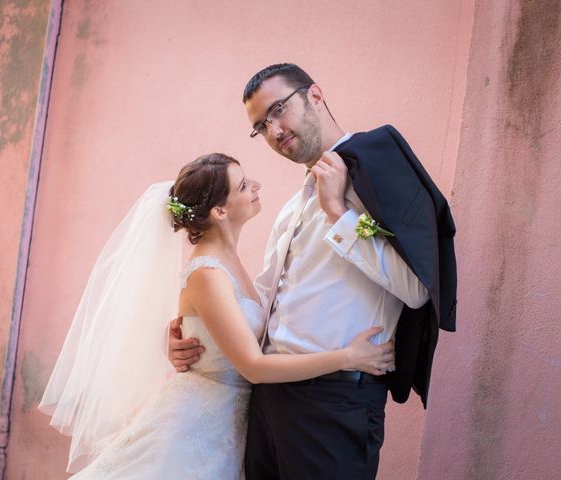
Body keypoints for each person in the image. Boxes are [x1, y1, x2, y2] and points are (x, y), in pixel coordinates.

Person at [169, 64, 457, 479]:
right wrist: (195, 338)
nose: (273, 130)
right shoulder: (290, 208)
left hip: (333, 404)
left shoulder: (377, 169)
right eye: (260, 126)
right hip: (266, 401)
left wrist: (338, 213)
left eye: (279, 110)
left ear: (316, 96)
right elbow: (261, 302)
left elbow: (417, 290)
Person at [40, 153, 395, 478]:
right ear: (219, 211)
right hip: (197, 428)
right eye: (243, 185)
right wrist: (347, 358)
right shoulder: (208, 273)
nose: (256, 187)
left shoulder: (228, 263)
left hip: (230, 427)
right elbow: (252, 365)